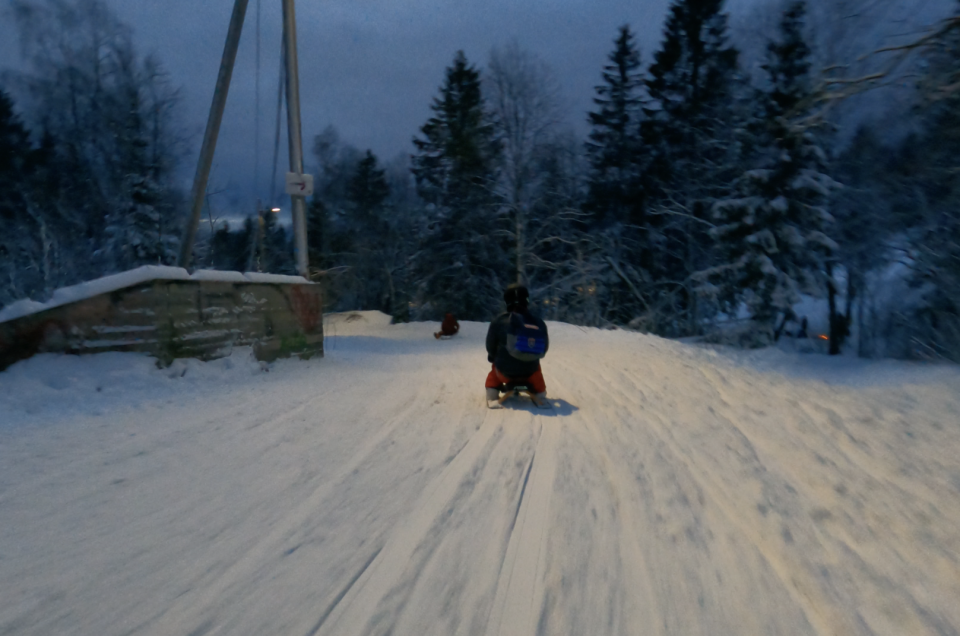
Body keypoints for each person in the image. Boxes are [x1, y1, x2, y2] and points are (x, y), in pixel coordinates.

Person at [485, 283, 549, 401]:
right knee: (536, 365)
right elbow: (544, 349)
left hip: (505, 374)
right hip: (531, 374)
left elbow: (490, 347)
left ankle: (492, 391)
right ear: (527, 300)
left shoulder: (498, 321)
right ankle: (540, 392)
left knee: (495, 364)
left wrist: (493, 356)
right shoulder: (538, 323)